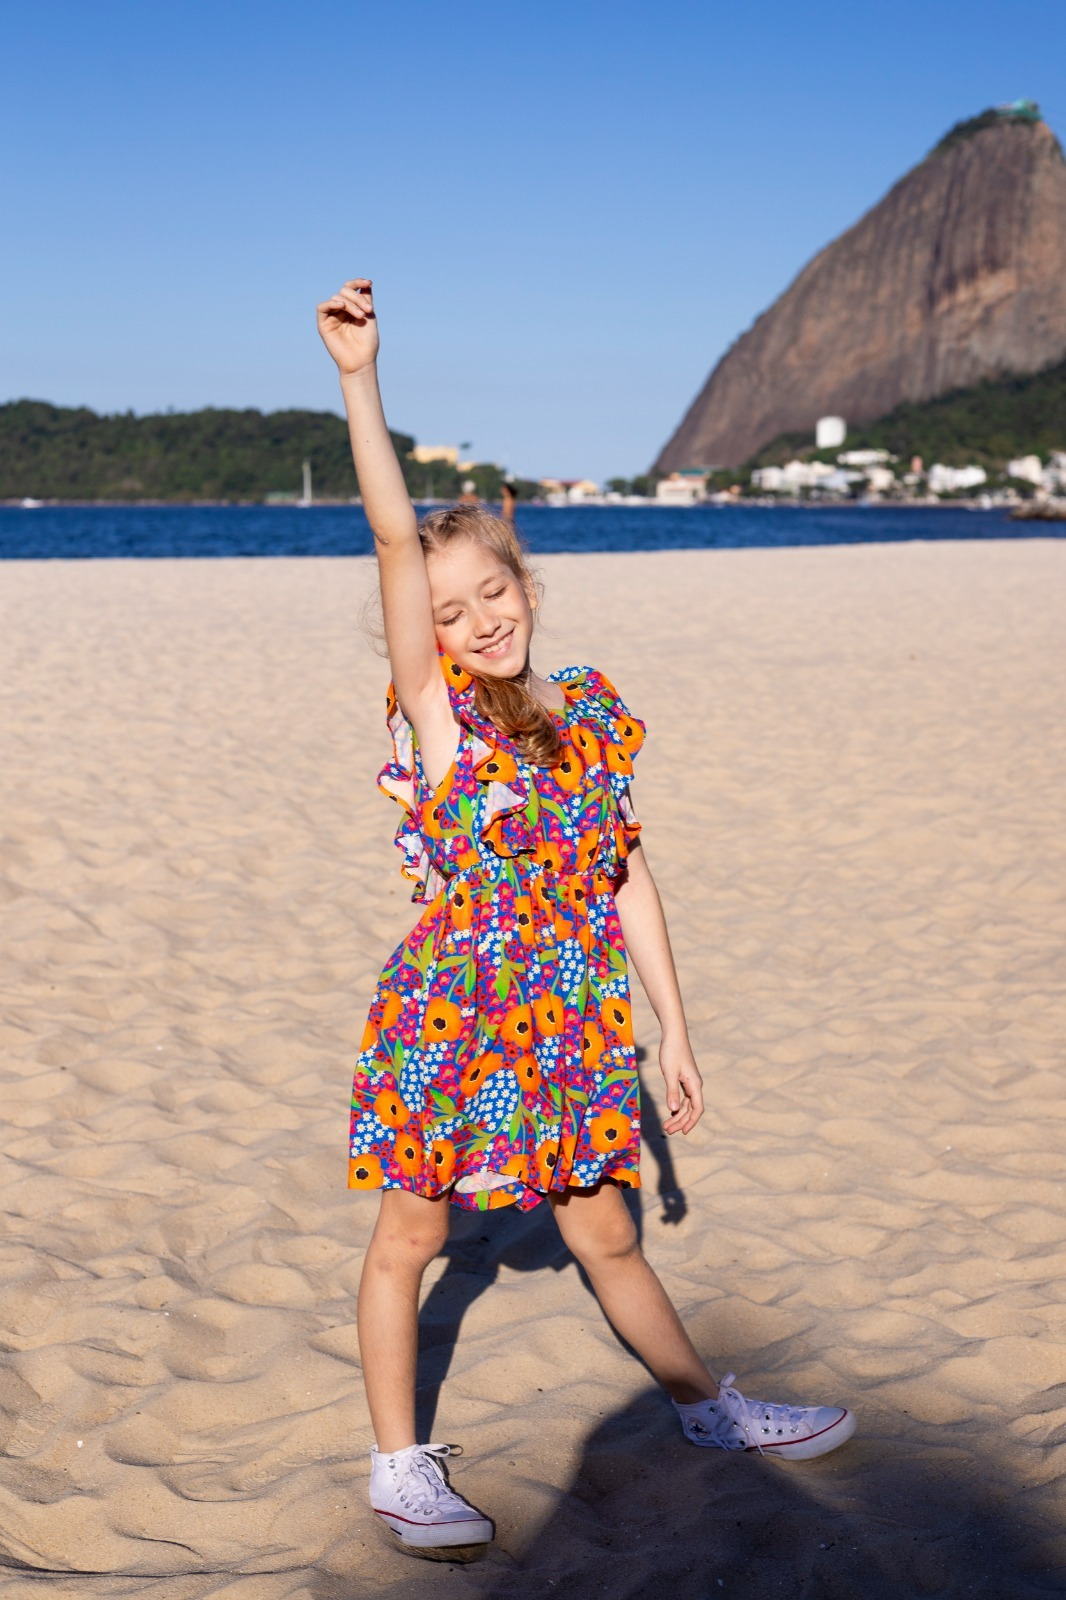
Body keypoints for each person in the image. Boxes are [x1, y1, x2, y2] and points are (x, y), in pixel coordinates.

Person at [316, 278, 856, 1558]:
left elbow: (626, 876)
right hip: (454, 1014)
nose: (476, 621)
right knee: (413, 1233)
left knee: (607, 1229)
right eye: (447, 613)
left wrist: (675, 1028)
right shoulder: (441, 716)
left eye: (489, 592)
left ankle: (708, 1409)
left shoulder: (590, 710)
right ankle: (399, 1467)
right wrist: (359, 379)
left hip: (569, 1016)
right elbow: (394, 539)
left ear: (526, 579)